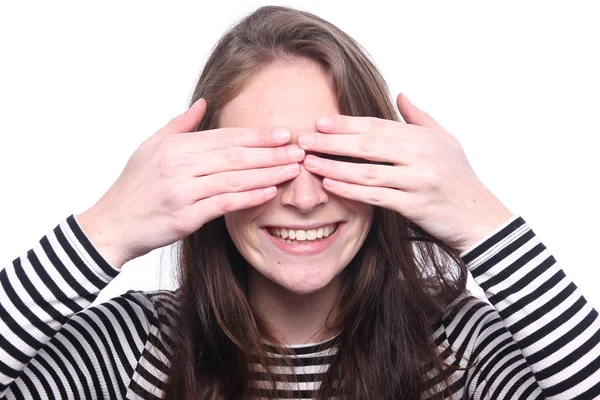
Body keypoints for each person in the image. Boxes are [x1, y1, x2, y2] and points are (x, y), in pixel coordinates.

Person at [1, 5, 599, 399]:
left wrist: (483, 220)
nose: (307, 198)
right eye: (268, 162)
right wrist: (105, 228)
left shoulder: (460, 349)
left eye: (333, 157)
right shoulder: (130, 349)